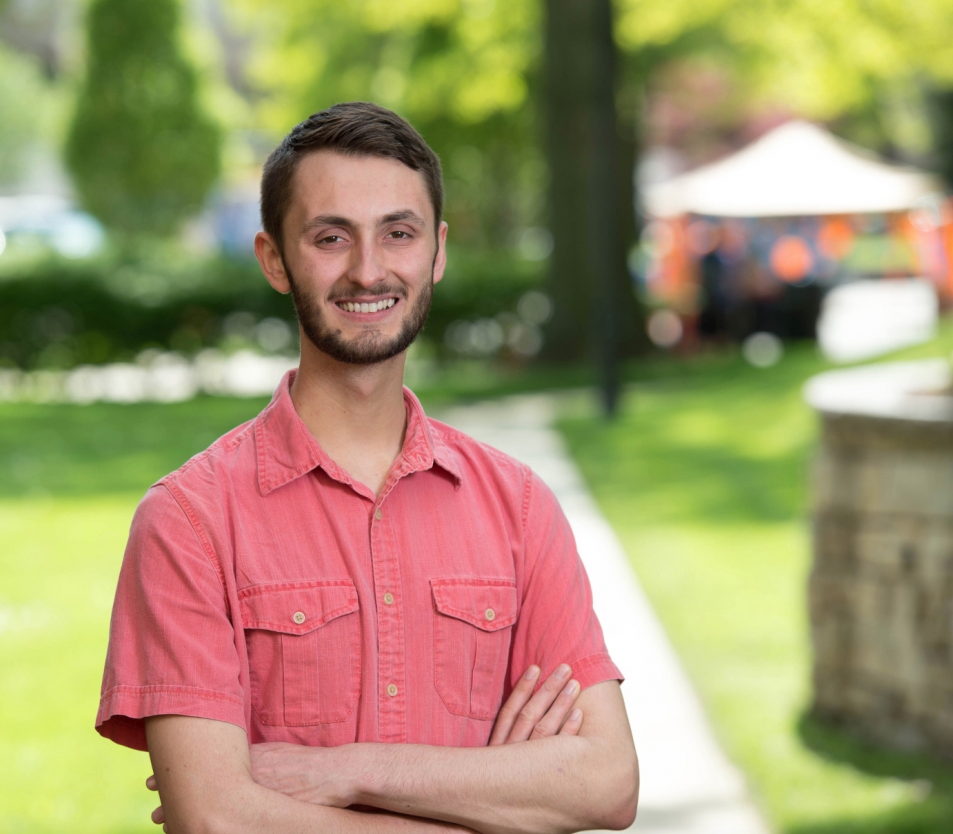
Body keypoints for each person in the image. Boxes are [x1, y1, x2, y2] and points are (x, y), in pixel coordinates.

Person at [96, 102, 638, 834]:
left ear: (437, 251)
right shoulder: (189, 521)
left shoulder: (518, 506)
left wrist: (347, 771)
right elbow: (218, 819)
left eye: (399, 233)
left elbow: (605, 784)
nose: (368, 269)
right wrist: (494, 808)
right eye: (329, 238)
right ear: (273, 259)